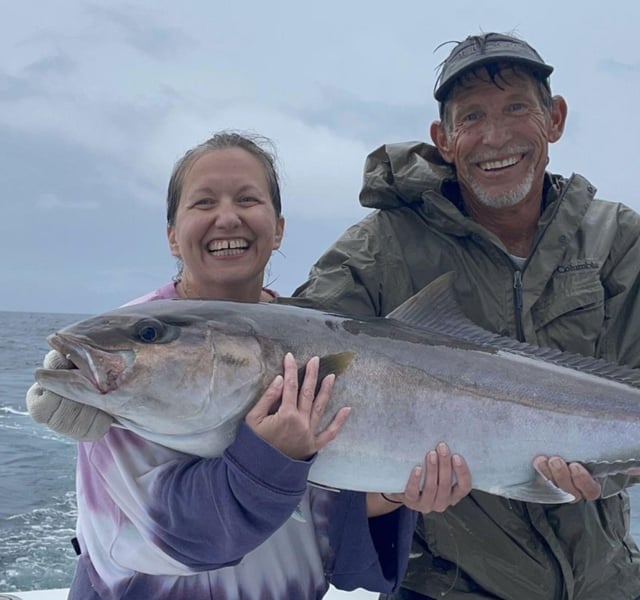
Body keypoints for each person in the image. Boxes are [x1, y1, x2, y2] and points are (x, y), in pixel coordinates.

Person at [291, 33, 640, 599]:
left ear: (556, 118)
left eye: (517, 107)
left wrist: (612, 471)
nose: (495, 136)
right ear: (443, 139)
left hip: (609, 579)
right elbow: (294, 354)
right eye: (471, 116)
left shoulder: (616, 235)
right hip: (448, 583)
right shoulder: (379, 248)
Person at [26, 131, 471, 600]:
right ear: (172, 235)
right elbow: (185, 537)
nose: (227, 217)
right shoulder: (128, 350)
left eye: (247, 198)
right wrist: (273, 456)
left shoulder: (313, 334)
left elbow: (333, 544)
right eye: (203, 203)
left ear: (278, 228)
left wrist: (395, 494)